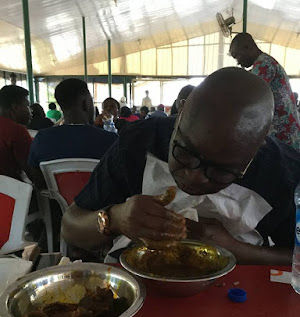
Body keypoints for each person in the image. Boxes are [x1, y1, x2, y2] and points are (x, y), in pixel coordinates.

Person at [62, 67, 300, 266]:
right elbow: (70, 227)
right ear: (179, 117)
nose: (194, 178)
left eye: (221, 171)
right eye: (185, 153)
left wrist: (236, 250)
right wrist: (115, 219)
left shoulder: (283, 173)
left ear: (256, 151)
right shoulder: (138, 143)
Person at [28, 79, 118, 188]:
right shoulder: (111, 140)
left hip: (57, 204)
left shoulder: (41, 139)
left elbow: (36, 177)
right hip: (103, 204)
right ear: (85, 103)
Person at [230, 33, 300, 151]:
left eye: (237, 56)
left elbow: (249, 97)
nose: (238, 62)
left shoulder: (264, 65)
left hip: (282, 131)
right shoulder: (264, 63)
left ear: (247, 47)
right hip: (286, 128)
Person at [0, 85, 32, 180]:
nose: (30, 110)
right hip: (8, 190)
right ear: (15, 107)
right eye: (27, 106)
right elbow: (31, 171)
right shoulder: (17, 130)